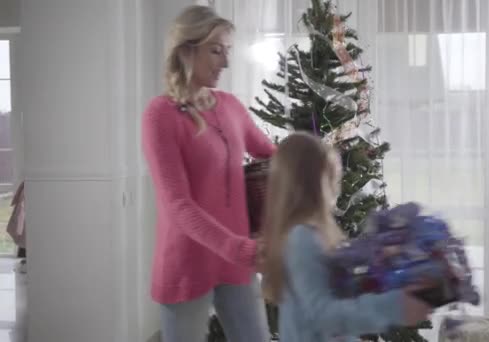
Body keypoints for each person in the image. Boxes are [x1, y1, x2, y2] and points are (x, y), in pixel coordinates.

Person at [141, 5, 275, 342]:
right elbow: (178, 205)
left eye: (227, 51)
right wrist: (239, 249)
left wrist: (313, 152)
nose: (226, 63)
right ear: (186, 49)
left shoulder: (230, 106)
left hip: (236, 263)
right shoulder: (160, 115)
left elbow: (270, 154)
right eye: (216, 51)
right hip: (187, 264)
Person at [261, 132, 432, 342]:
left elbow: (342, 290)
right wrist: (394, 307)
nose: (338, 186)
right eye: (333, 177)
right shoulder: (301, 239)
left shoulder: (319, 233)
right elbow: (325, 316)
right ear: (314, 183)